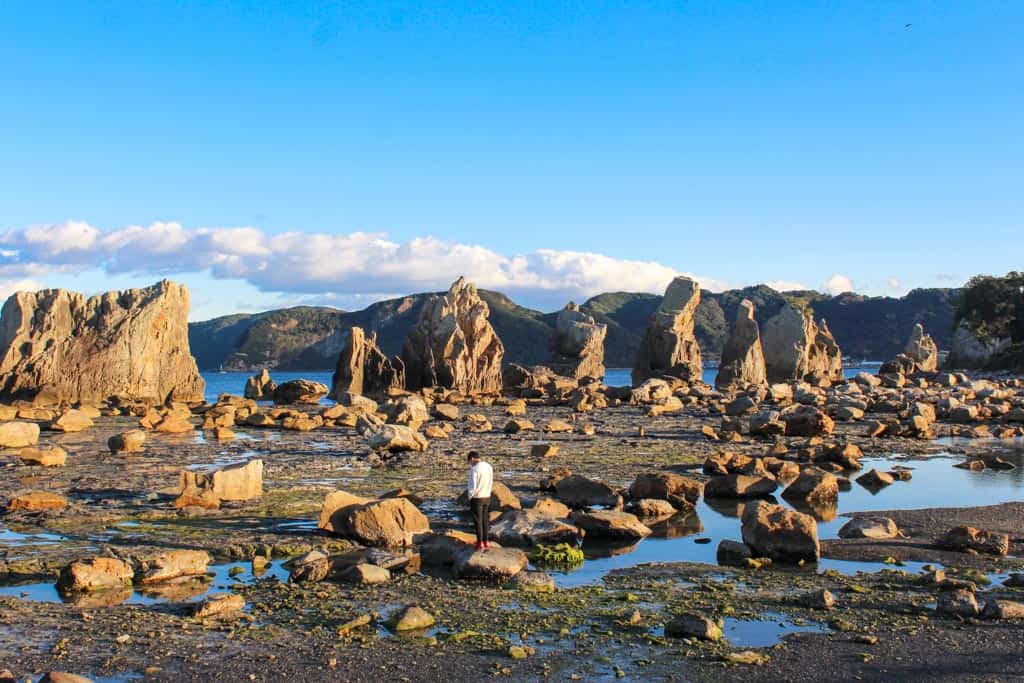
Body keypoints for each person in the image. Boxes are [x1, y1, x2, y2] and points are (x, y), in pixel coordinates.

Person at [466, 451, 493, 550]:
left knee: (478, 520)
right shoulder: (489, 466)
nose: (470, 464)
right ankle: (486, 541)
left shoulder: (474, 469)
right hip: (487, 496)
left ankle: (480, 542)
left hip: (477, 497)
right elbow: (491, 481)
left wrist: (470, 496)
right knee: (485, 519)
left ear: (472, 459)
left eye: (469, 462)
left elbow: (472, 486)